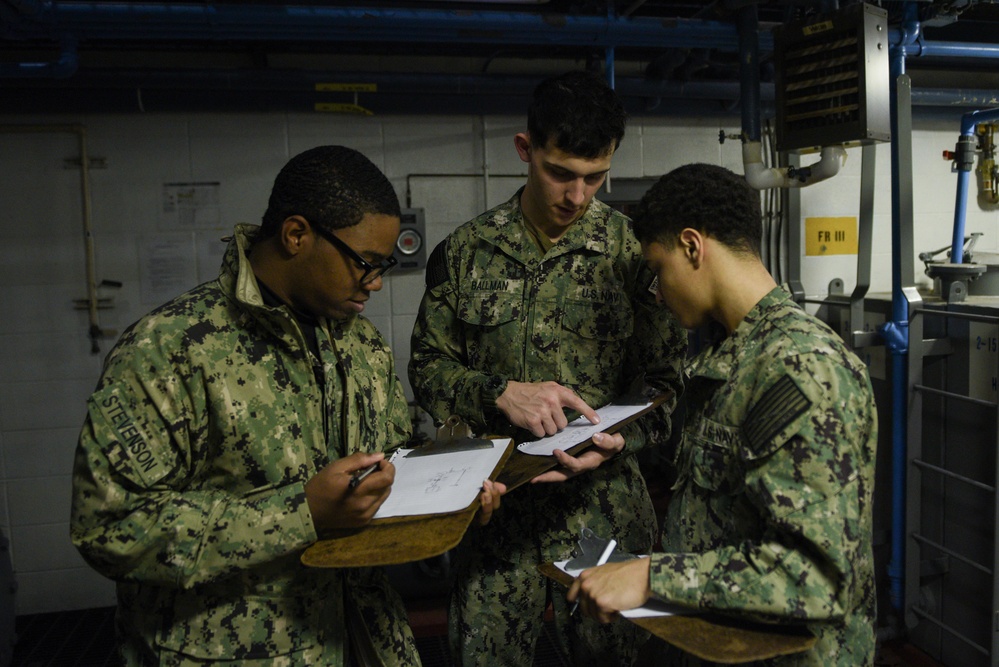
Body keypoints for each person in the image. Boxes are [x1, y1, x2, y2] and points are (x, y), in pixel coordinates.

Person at [70, 145, 503, 666]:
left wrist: (447, 498)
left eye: (384, 264)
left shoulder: (359, 344)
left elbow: (388, 464)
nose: (377, 281)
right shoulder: (171, 349)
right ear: (297, 235)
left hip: (365, 640)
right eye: (365, 263)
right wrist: (301, 513)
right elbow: (110, 529)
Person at [409, 70, 687, 666]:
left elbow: (667, 384)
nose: (577, 196)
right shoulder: (464, 254)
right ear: (524, 150)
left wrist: (620, 441)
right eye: (560, 173)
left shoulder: (633, 254)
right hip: (494, 513)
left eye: (595, 177)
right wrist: (496, 392)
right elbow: (427, 369)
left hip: (604, 512)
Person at [567, 163, 878, 666]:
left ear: (692, 246)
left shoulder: (800, 369)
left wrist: (651, 576)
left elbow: (813, 579)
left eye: (659, 270)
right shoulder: (736, 359)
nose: (659, 293)